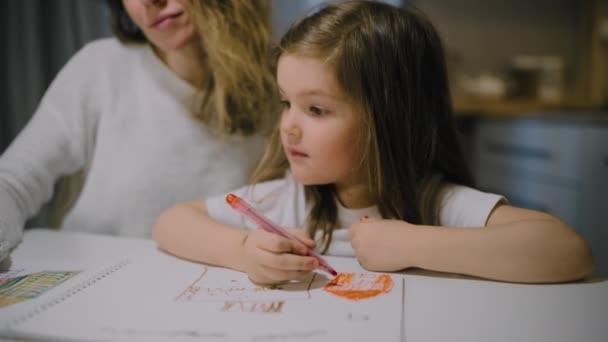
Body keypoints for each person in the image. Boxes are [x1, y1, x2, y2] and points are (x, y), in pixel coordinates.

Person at [152, 0, 594, 285]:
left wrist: (411, 244)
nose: (288, 126)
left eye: (317, 110)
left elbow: (567, 252)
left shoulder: (436, 204)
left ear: (389, 119)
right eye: (287, 103)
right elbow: (170, 222)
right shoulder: (290, 201)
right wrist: (243, 251)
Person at [0, 0, 277, 262]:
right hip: (95, 286)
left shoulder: (280, 89)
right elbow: (12, 181)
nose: (149, 2)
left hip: (214, 289)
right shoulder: (99, 67)